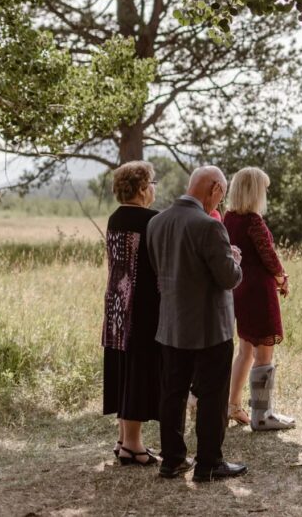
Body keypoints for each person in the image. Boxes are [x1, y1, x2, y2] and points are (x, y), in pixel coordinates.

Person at [146, 166, 248, 482]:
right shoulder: (208, 226)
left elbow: (159, 269)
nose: (221, 201)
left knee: (172, 393)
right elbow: (228, 277)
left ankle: (173, 460)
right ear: (214, 188)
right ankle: (208, 462)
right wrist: (234, 259)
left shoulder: (156, 222)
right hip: (209, 327)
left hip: (171, 323)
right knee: (213, 395)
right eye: (222, 193)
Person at [223, 167, 295, 431]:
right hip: (259, 292)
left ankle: (232, 405)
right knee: (264, 353)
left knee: (244, 351)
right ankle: (262, 415)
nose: (265, 193)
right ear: (254, 191)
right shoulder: (254, 222)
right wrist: (282, 278)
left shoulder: (228, 219)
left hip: (239, 287)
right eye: (263, 188)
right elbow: (269, 257)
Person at [101, 161, 161, 466]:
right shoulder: (152, 220)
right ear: (141, 188)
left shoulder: (114, 218)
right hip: (142, 304)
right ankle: (134, 446)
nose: (153, 189)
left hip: (115, 304)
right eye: (152, 183)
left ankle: (124, 439)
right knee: (138, 371)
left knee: (123, 369)